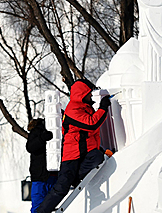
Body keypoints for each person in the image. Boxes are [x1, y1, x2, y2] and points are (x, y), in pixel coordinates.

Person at [36, 79, 111, 213]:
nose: (91, 96)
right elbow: (92, 124)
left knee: (97, 157)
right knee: (61, 187)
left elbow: (91, 131)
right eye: (89, 93)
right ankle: (42, 212)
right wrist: (103, 108)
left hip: (83, 153)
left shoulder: (85, 108)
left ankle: (76, 177)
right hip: (72, 157)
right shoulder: (73, 110)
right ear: (81, 94)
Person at [26, 118, 57, 213]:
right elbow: (30, 147)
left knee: (38, 206)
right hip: (51, 174)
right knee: (49, 204)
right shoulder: (41, 131)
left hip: (40, 175)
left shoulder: (36, 131)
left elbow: (30, 147)